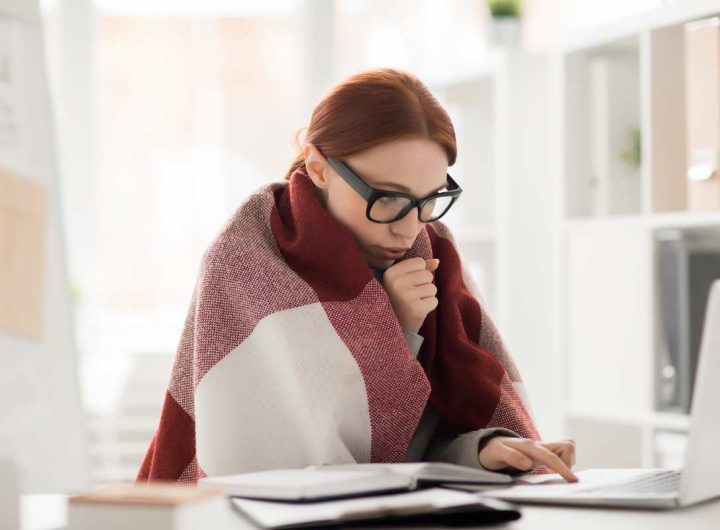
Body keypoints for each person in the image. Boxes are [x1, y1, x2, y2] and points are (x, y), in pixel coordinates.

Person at [136, 67, 577, 485]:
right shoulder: (246, 261)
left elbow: (415, 452)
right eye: (387, 198)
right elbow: (303, 462)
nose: (408, 227)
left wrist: (487, 449)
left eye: (429, 199)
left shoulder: (434, 252)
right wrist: (395, 326)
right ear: (318, 166)